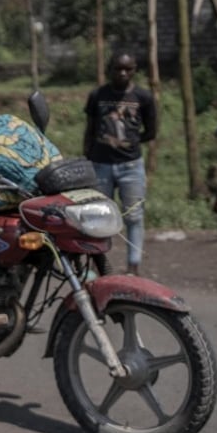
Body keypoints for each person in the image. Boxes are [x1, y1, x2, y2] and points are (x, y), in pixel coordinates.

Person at [85, 52, 156, 276]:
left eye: (128, 69)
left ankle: (133, 268)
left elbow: (151, 130)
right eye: (118, 69)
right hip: (100, 165)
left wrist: (131, 144)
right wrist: (87, 154)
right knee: (98, 216)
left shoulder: (143, 97)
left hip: (131, 166)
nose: (123, 73)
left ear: (135, 70)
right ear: (110, 69)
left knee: (134, 216)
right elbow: (90, 128)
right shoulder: (98, 95)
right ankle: (99, 268)